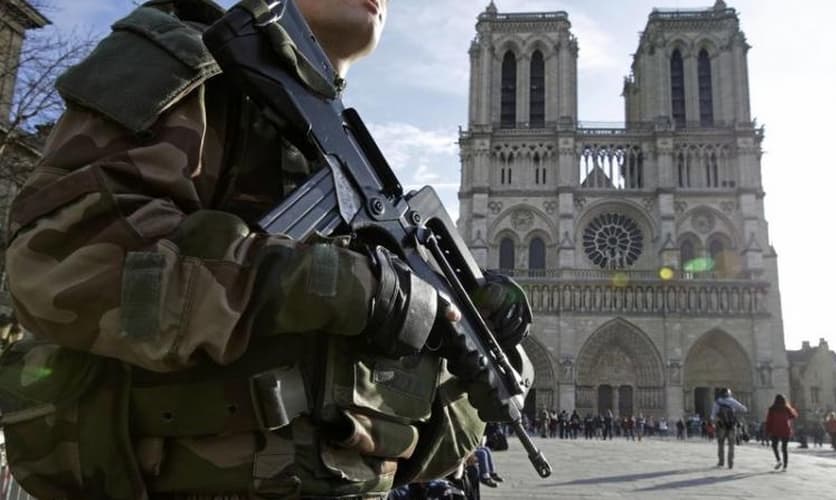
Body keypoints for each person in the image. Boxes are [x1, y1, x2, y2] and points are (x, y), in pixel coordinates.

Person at [0, 0, 533, 499]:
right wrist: (340, 285)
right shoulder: (187, 61)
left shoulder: (357, 178)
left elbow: (405, 445)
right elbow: (62, 264)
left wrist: (466, 357)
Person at [711, 387, 748, 469]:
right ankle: (730, 463)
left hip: (721, 426)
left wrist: (716, 421)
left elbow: (713, 416)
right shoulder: (732, 401)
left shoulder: (717, 402)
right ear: (729, 393)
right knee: (731, 445)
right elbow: (744, 409)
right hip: (731, 426)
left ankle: (721, 462)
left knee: (721, 444)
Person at [765, 394, 798, 471]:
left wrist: (767, 431)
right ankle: (785, 467)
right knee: (784, 448)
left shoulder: (772, 409)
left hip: (775, 429)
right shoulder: (787, 408)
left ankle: (779, 460)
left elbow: (769, 421)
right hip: (785, 430)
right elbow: (794, 415)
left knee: (774, 446)